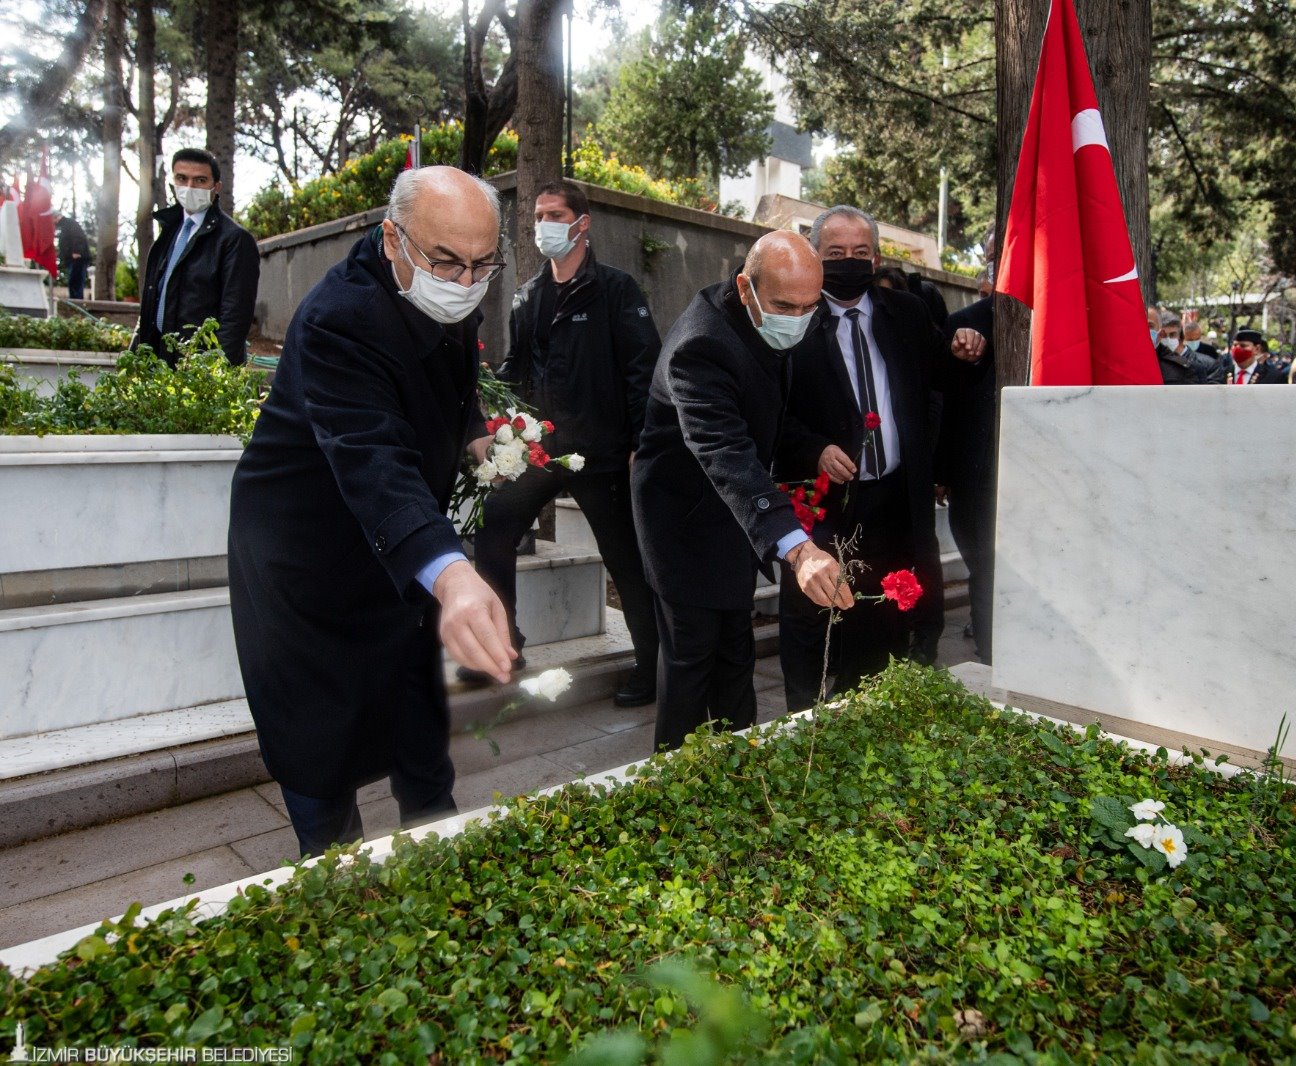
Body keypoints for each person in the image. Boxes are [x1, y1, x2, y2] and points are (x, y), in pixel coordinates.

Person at [227, 166, 517, 857]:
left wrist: (472, 426)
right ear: (393, 240)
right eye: (446, 261)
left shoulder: (445, 280)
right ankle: (333, 881)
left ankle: (436, 847)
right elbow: (371, 457)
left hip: (399, 551)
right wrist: (451, 573)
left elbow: (453, 369)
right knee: (319, 740)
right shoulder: (340, 319)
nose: (464, 280)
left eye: (482, 264)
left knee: (416, 715)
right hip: (309, 553)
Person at [632, 230, 853, 752]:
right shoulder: (701, 346)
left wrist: (812, 449)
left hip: (737, 513)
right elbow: (725, 449)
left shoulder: (777, 321)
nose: (798, 319)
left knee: (735, 645)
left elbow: (765, 417)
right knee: (691, 655)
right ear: (745, 288)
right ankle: (673, 783)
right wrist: (799, 549)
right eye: (784, 305)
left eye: (809, 306)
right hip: (683, 519)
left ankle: (738, 765)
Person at [775, 205, 985, 710]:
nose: (849, 262)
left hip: (892, 499)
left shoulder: (906, 314)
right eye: (836, 254)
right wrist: (814, 448)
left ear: (876, 257)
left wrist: (964, 345)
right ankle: (801, 725)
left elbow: (941, 377)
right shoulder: (791, 317)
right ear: (815, 257)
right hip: (823, 503)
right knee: (812, 622)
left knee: (881, 618)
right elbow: (766, 410)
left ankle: (866, 713)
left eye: (860, 253)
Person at [463, 179, 660, 707]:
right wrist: (495, 404)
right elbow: (516, 368)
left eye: (555, 214)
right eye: (538, 216)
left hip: (604, 455)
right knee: (494, 527)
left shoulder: (616, 291)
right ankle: (505, 647)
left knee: (625, 559)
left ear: (582, 223)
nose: (544, 225)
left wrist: (641, 441)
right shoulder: (529, 295)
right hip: (544, 453)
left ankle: (653, 667)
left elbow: (644, 371)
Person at [134, 148, 260, 366]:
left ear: (216, 187)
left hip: (200, 367)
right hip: (159, 359)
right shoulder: (169, 232)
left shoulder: (234, 240)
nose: (189, 187)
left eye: (200, 180)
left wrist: (216, 373)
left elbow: (235, 317)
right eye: (182, 178)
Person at [938, 290, 996, 663]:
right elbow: (945, 400)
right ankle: (990, 655)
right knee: (987, 570)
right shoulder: (967, 323)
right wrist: (941, 471)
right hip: (978, 481)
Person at [1155, 310, 1224, 384]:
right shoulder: (1154, 364)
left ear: (1180, 335)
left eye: (1172, 334)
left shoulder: (1209, 365)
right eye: (1163, 335)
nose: (1168, 339)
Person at [55, 215, 90, 300]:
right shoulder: (64, 225)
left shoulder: (69, 223)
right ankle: (75, 301)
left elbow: (78, 237)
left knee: (76, 281)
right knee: (73, 281)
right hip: (71, 258)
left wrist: (76, 251)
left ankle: (77, 302)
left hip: (77, 257)